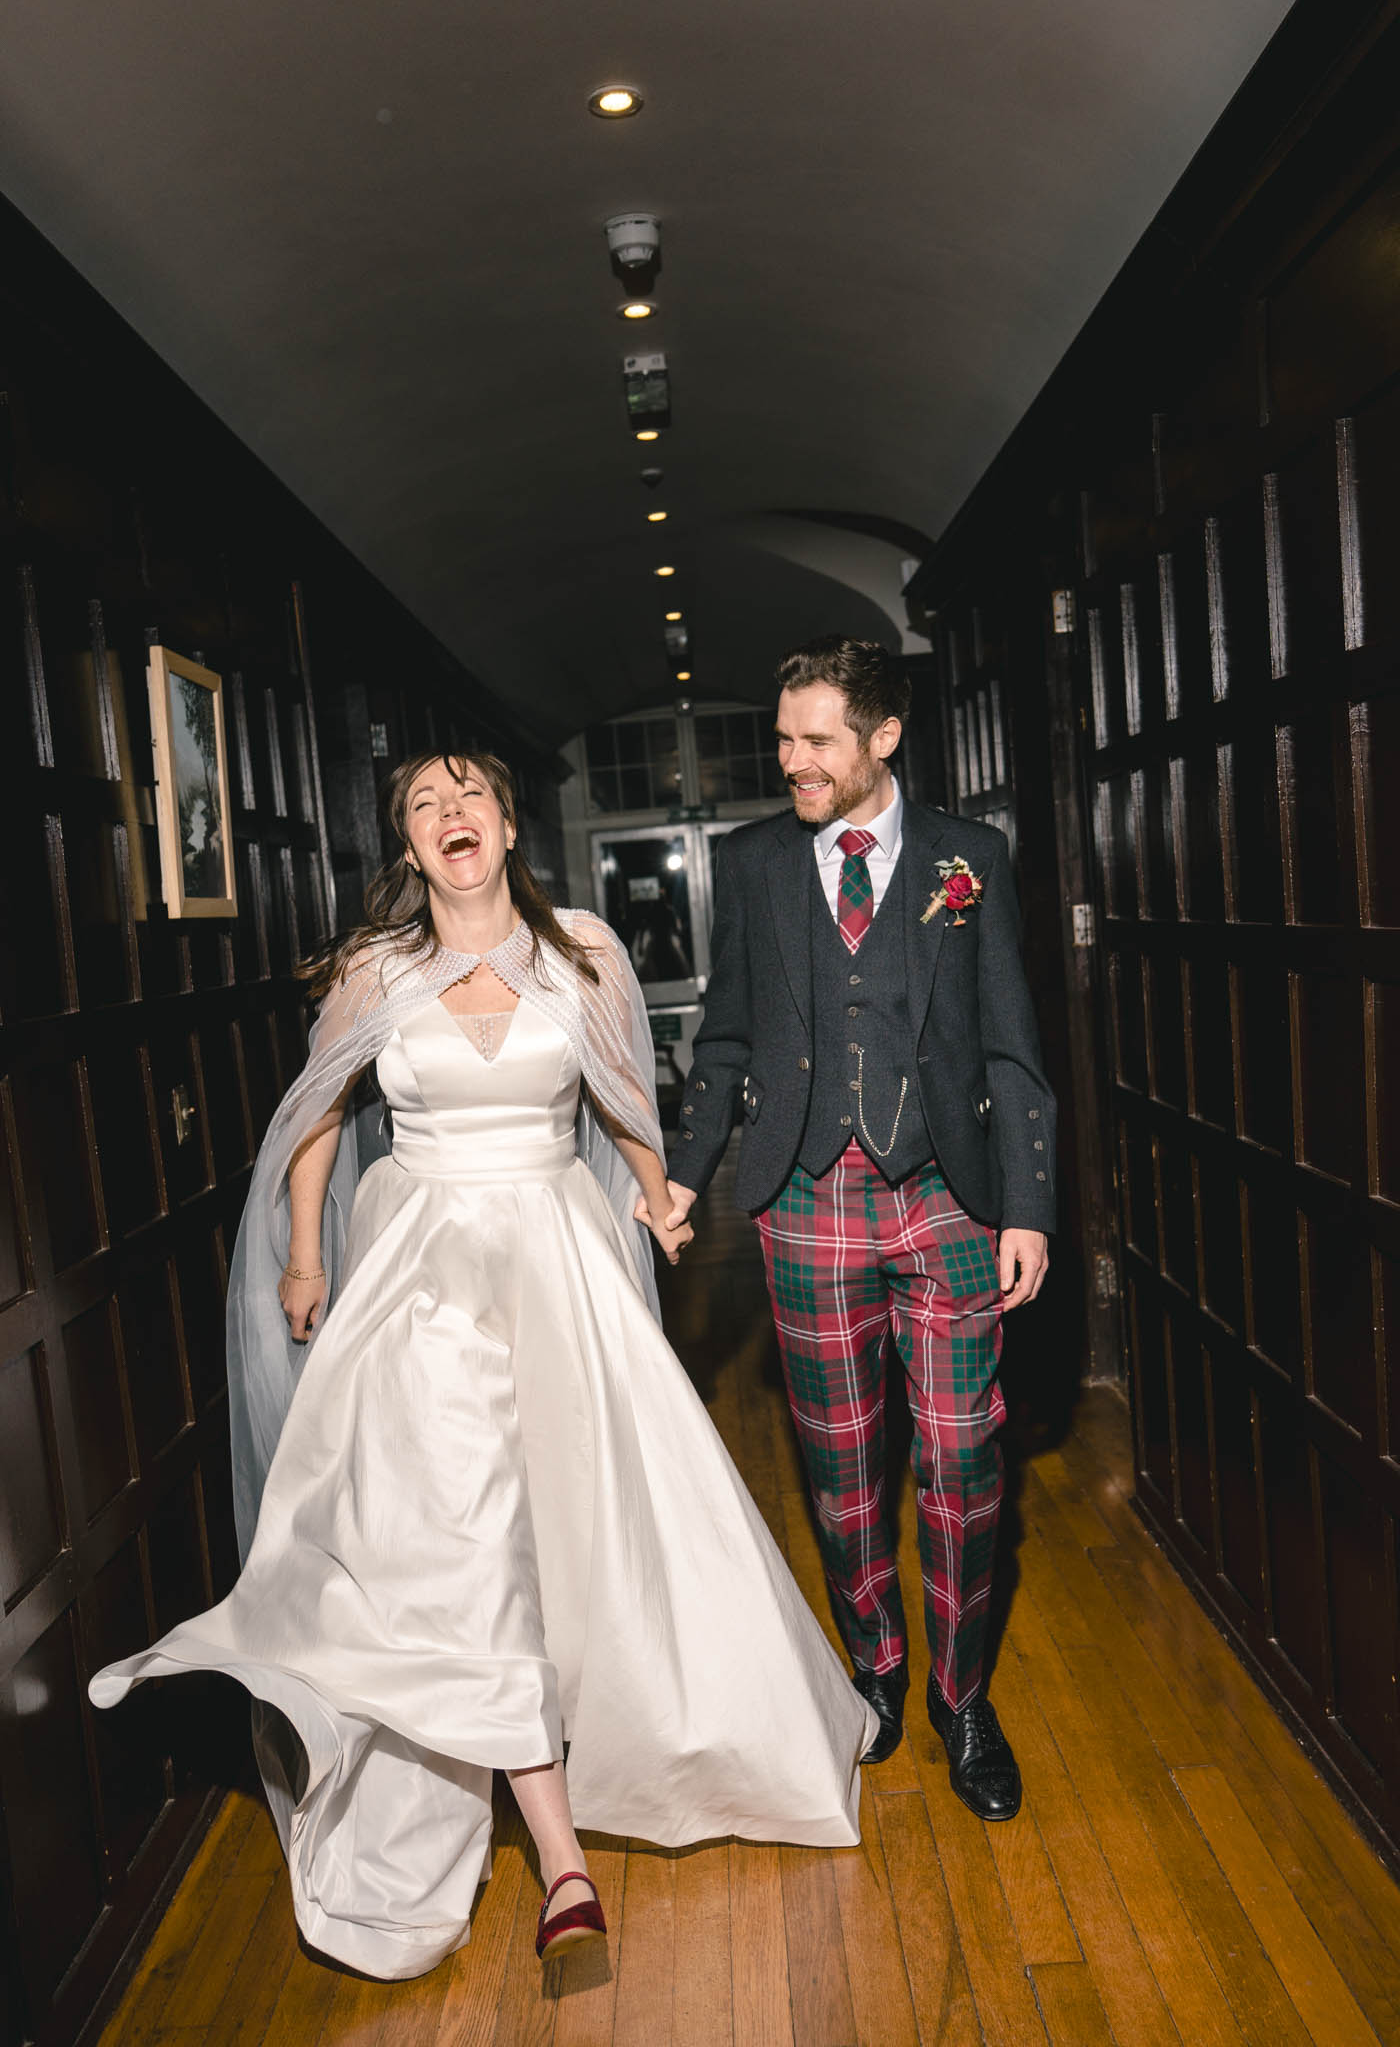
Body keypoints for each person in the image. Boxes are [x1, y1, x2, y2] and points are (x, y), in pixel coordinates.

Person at [90, 750, 876, 1979]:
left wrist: (659, 1194)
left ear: (508, 826)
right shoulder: (375, 971)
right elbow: (313, 1120)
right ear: (410, 848)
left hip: (556, 1263)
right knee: (464, 1534)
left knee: (580, 1526)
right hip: (417, 1279)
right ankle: (561, 1864)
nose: (451, 815)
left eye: (470, 797)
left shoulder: (585, 954)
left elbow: (622, 1096)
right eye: (423, 804)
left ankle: (648, 1750)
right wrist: (304, 1259)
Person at [663, 638, 1055, 1822]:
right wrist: (685, 1173)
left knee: (962, 1461)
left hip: (948, 1197)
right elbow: (723, 1038)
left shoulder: (968, 861)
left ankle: (961, 1695)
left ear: (883, 738)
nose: (792, 762)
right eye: (782, 740)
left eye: (816, 740)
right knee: (840, 1473)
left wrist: (1027, 1208)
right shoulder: (753, 866)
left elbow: (1010, 1048)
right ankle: (874, 1671)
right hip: (801, 1201)